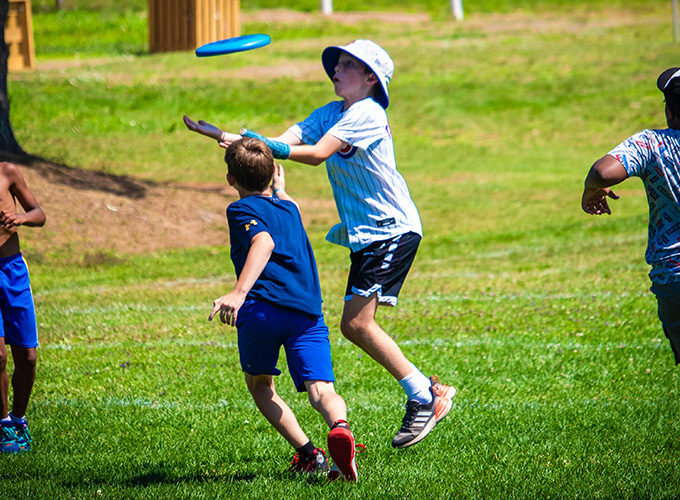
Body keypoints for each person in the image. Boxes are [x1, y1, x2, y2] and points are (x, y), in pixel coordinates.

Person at [185, 39, 455, 449]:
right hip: (367, 233)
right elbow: (272, 147)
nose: (336, 70)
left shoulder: (366, 112)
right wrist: (222, 135)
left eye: (347, 65)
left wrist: (241, 139)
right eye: (337, 64)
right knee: (354, 324)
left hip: (390, 228)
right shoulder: (333, 112)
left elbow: (313, 154)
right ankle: (424, 391)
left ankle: (424, 397)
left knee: (357, 324)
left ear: (370, 78)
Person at [209, 137, 361, 481]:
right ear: (272, 177)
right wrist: (280, 188)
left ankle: (310, 455)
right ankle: (340, 427)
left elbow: (264, 241)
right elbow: (284, 201)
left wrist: (237, 292)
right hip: (306, 311)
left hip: (262, 309)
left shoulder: (239, 209)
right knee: (322, 390)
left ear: (231, 180)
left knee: (260, 384)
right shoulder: (289, 208)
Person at [581, 67, 680, 365]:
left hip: (673, 276)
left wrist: (591, 191)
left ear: (671, 113)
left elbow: (603, 171)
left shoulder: (653, 144)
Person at [0, 162, 46, 454]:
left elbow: (39, 215)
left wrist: (19, 217)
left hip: (12, 270)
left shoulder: (7, 172)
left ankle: (19, 421)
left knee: (27, 359)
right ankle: (3, 426)